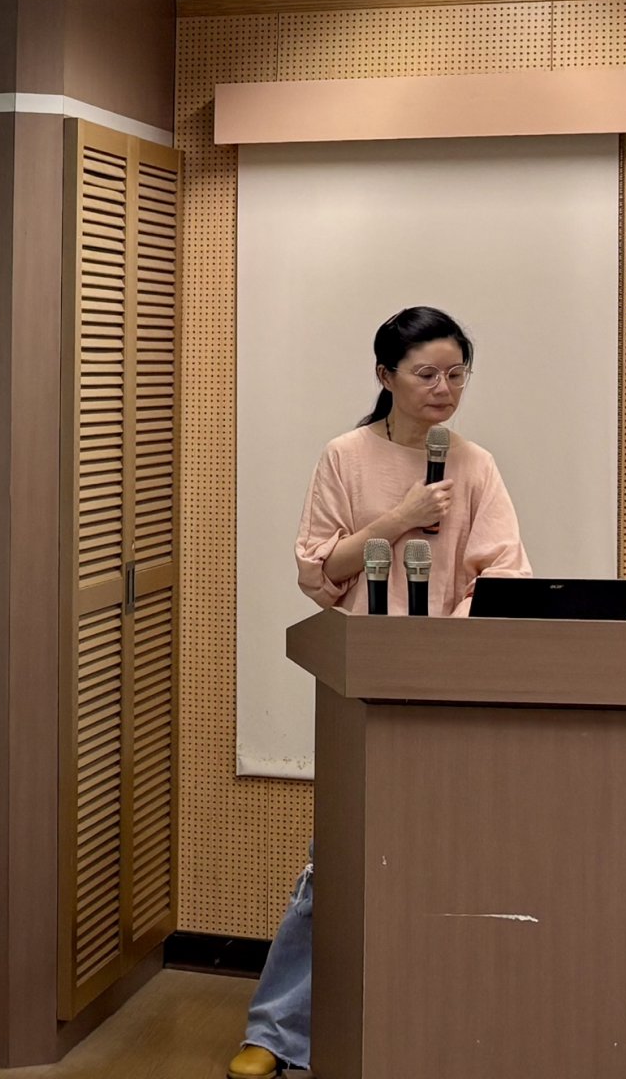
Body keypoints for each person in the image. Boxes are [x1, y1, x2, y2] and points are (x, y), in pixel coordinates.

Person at [227, 306, 531, 1077]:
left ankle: (426, 1021)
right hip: (360, 683)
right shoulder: (344, 456)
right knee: (335, 860)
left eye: (456, 374)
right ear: (384, 376)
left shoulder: (474, 465)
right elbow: (318, 571)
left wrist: (441, 649)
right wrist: (398, 519)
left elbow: (502, 574)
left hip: (448, 688)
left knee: (444, 856)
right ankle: (276, 1034)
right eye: (426, 374)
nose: (443, 389)